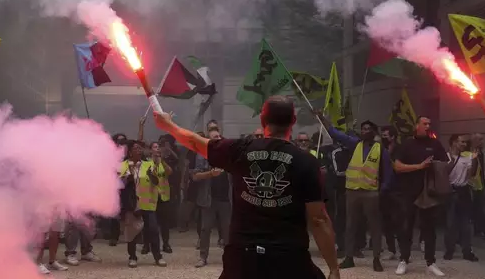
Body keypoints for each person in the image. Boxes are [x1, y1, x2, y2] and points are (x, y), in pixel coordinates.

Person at [154, 96, 339, 279]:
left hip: (243, 258)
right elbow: (319, 219)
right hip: (289, 258)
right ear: (293, 121)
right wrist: (333, 269)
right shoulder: (306, 161)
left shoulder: (240, 149)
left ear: (262, 119)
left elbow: (195, 141)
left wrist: (169, 125)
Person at [317, 114, 392, 272]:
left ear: (373, 131)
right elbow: (335, 133)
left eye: (368, 129)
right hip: (352, 192)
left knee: (374, 227)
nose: (364, 131)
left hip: (371, 193)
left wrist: (381, 190)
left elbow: (388, 172)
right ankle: (349, 257)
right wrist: (323, 119)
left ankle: (376, 259)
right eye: (363, 129)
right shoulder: (355, 144)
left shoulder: (381, 150)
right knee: (350, 225)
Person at [393, 116, 448, 277]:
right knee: (406, 227)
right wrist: (419, 166)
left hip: (428, 193)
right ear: (417, 126)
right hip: (409, 192)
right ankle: (403, 259)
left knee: (429, 228)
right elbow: (397, 167)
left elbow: (444, 164)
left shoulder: (435, 144)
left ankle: (430, 263)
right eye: (425, 124)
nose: (428, 126)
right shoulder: (407, 144)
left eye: (430, 124)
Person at [119, 140, 169, 268]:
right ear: (130, 152)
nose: (139, 150)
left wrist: (151, 175)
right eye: (135, 148)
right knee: (133, 232)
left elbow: (157, 181)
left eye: (140, 148)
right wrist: (128, 177)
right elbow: (119, 183)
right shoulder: (124, 165)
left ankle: (158, 256)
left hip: (148, 204)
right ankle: (132, 257)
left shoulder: (148, 164)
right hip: (132, 205)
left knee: (153, 230)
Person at [192, 129, 232, 268]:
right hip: (209, 199)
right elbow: (195, 176)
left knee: (227, 230)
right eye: (215, 137)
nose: (218, 138)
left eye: (219, 136)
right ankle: (203, 257)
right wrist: (210, 173)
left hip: (226, 199)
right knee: (205, 229)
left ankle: (229, 258)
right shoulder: (202, 156)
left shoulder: (229, 155)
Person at [444, 134, 479, 262]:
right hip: (451, 191)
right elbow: (443, 174)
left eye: (465, 142)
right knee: (451, 223)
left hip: (464, 190)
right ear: (454, 142)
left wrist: (474, 160)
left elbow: (472, 174)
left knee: (466, 224)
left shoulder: (468, 156)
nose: (464, 144)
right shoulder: (445, 156)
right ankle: (449, 250)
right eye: (461, 142)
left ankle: (467, 251)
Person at [380, 126, 400, 260]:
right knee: (387, 222)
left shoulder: (400, 150)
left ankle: (403, 251)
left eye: (386, 135)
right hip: (384, 191)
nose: (383, 138)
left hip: (398, 191)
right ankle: (391, 250)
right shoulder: (380, 150)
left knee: (399, 222)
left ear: (393, 137)